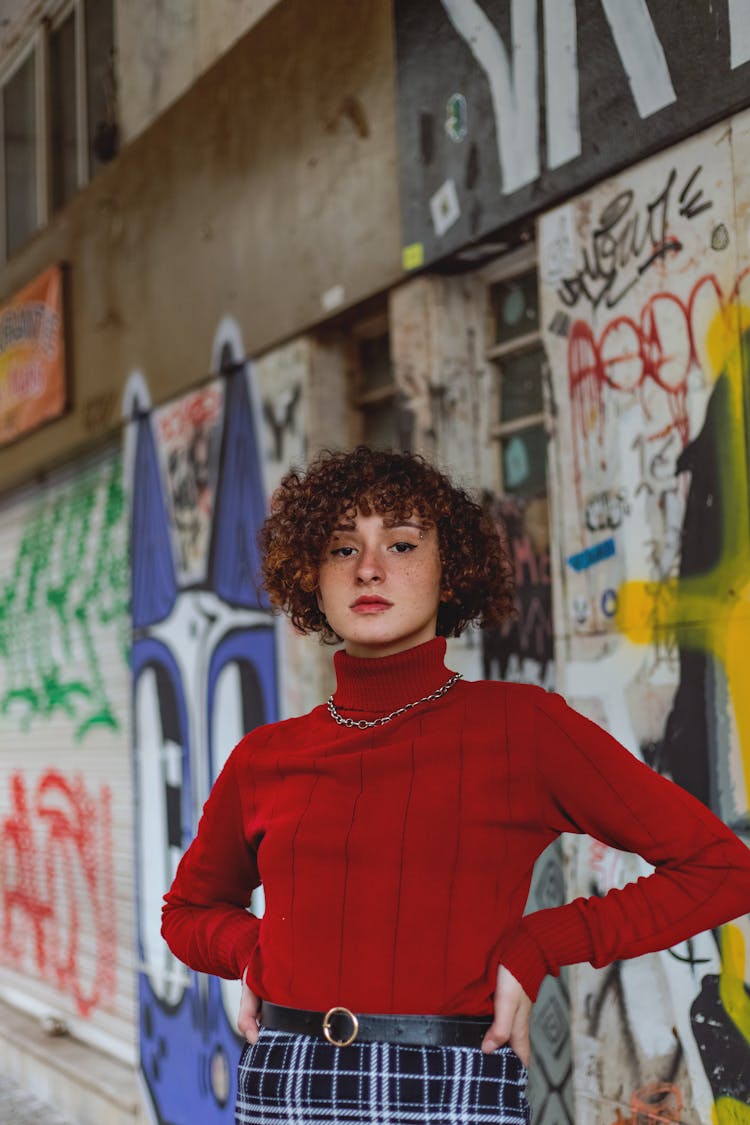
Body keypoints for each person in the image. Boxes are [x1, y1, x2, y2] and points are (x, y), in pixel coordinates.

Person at [162, 445, 750, 1125]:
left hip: (452, 1079)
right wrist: (256, 951)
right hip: (287, 1077)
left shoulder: (522, 727)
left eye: (403, 543)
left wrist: (540, 945)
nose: (370, 568)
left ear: (450, 573)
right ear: (312, 579)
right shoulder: (265, 757)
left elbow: (722, 868)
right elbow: (186, 912)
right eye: (342, 548)